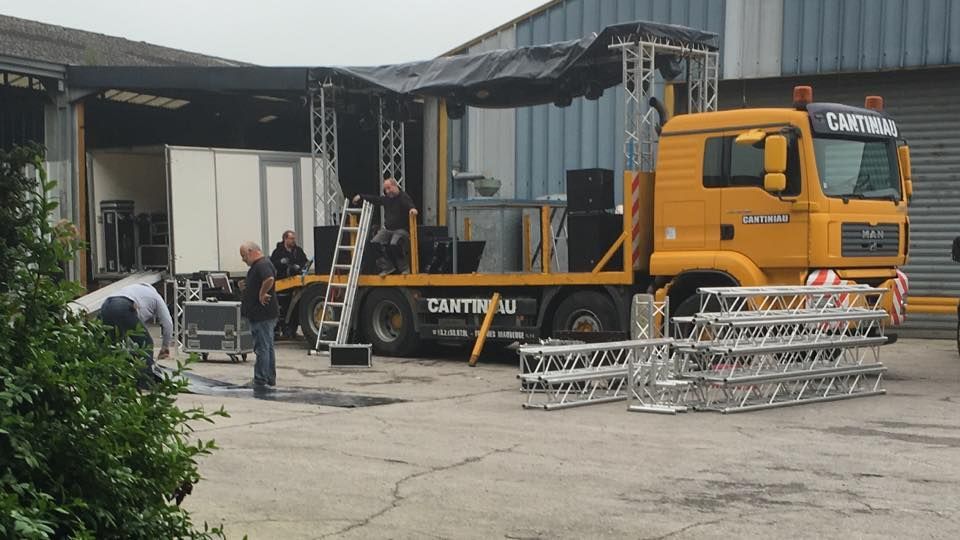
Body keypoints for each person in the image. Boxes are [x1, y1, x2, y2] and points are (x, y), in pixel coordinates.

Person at [99, 282, 173, 380]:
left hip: (106, 306)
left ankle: (112, 379)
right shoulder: (157, 298)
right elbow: (168, 323)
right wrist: (165, 347)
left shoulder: (134, 290)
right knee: (146, 343)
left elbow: (132, 331)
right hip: (122, 306)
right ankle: (145, 380)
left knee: (113, 345)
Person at [352, 177, 418, 276]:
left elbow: (410, 205)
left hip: (401, 230)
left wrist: (412, 210)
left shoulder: (403, 197)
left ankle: (404, 268)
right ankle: (387, 267)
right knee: (374, 243)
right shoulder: (387, 199)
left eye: (389, 188)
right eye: (385, 189)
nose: (387, 191)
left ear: (395, 186)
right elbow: (375, 199)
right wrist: (360, 196)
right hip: (388, 230)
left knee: (395, 243)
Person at [239, 241, 279, 388]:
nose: (243, 259)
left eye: (244, 256)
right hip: (262, 315)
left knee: (262, 347)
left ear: (251, 252)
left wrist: (262, 293)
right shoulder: (260, 265)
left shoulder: (262, 265)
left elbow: (269, 279)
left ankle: (261, 379)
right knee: (267, 346)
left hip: (262, 315)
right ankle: (269, 377)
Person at [270, 230, 308, 339]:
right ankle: (282, 330)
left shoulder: (298, 251)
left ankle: (293, 330)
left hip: (296, 283)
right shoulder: (278, 252)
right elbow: (272, 264)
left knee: (296, 306)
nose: (293, 240)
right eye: (291, 238)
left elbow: (304, 262)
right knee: (284, 307)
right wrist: (281, 263)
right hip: (283, 284)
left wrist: (299, 266)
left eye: (294, 238)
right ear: (285, 239)